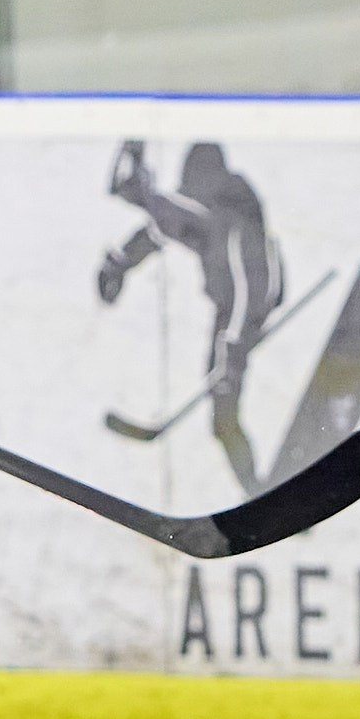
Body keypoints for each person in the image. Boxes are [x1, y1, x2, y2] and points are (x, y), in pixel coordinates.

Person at [98, 140, 287, 494]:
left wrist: (232, 348)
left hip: (245, 312)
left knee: (224, 415)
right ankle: (261, 495)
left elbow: (251, 288)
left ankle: (264, 496)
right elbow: (161, 231)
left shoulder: (235, 217)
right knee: (223, 418)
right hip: (235, 314)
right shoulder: (208, 214)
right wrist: (121, 262)